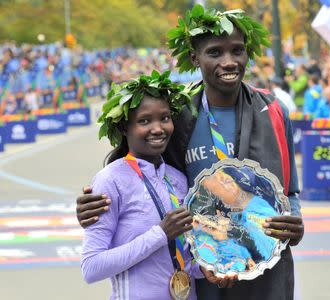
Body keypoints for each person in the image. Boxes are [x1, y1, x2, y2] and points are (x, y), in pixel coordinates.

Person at [76, 5, 304, 300]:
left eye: (237, 50)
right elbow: (144, 176)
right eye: (215, 53)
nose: (229, 62)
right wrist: (94, 205)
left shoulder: (272, 110)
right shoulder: (179, 114)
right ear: (195, 57)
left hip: (264, 266)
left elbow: (290, 192)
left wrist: (295, 224)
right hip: (202, 270)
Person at [80, 71, 233, 300]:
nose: (158, 128)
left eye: (164, 118)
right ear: (124, 128)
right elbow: (92, 267)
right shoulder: (110, 180)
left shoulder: (178, 179)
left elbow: (177, 257)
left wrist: (203, 269)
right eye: (144, 121)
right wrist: (160, 233)